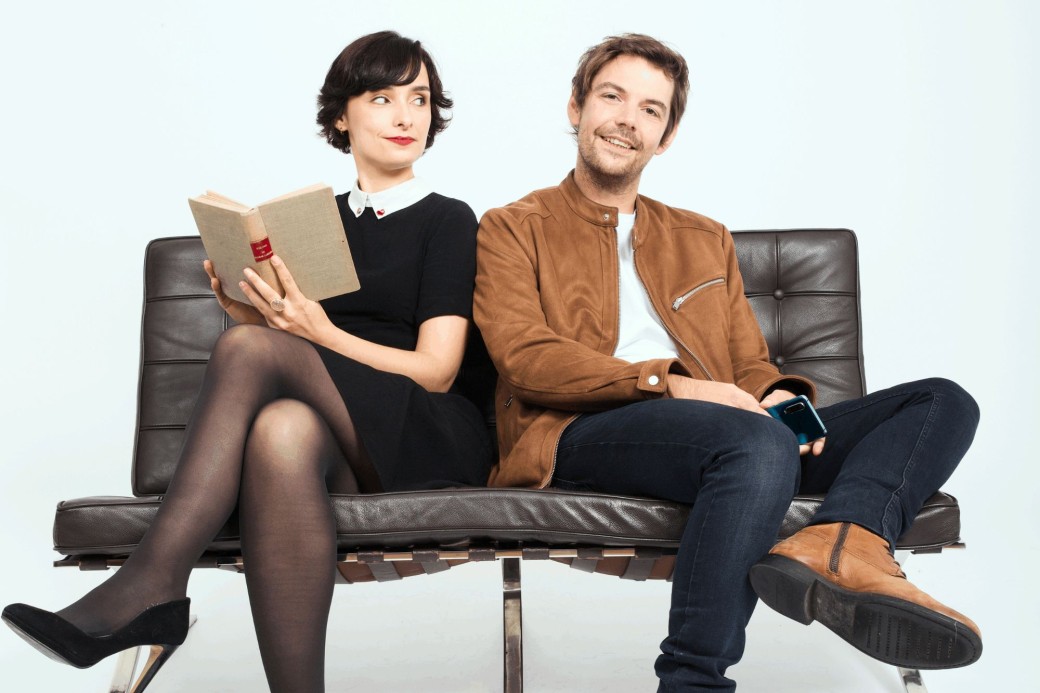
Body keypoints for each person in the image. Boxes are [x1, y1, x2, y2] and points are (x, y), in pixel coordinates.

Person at [473, 33, 981, 691]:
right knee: (755, 445)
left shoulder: (702, 236)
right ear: (576, 107)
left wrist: (781, 399)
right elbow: (525, 357)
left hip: (728, 432)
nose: (628, 119)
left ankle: (844, 540)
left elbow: (747, 361)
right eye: (612, 97)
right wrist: (670, 385)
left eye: (651, 110)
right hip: (577, 431)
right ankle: (693, 680)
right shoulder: (512, 226)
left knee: (941, 401)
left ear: (666, 136)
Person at [2, 30, 492, 692]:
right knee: (278, 431)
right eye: (382, 98)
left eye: (420, 98)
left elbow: (436, 370)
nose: (406, 115)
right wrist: (253, 312)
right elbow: (303, 352)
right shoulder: (314, 223)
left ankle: (152, 582)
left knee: (245, 348)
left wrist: (310, 332)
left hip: (425, 429)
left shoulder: (449, 220)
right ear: (342, 117)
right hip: (342, 431)